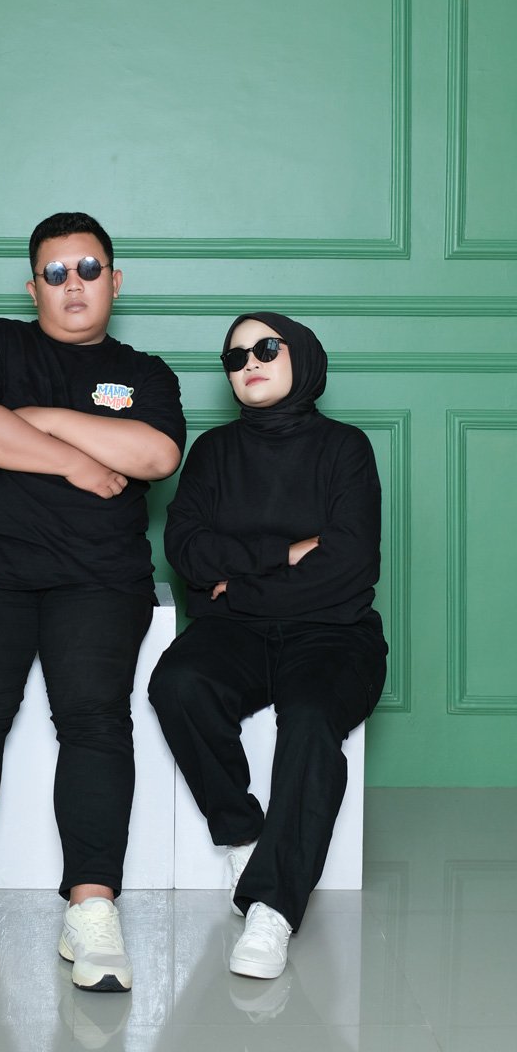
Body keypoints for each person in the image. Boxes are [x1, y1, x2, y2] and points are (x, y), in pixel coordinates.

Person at [0, 212, 185, 993]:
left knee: (93, 720)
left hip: (100, 577)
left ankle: (92, 908)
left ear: (114, 281)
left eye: (88, 269)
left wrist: (42, 422)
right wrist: (80, 463)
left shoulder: (146, 372)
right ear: (33, 288)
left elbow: (156, 453)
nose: (73, 284)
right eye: (55, 273)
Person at [149, 311, 387, 980]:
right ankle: (241, 833)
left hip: (336, 634)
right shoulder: (213, 453)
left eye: (266, 348)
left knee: (310, 719)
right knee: (178, 683)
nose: (249, 362)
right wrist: (284, 555)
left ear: (300, 356)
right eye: (235, 357)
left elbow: (349, 565)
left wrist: (239, 587)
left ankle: (273, 909)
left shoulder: (345, 448)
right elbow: (187, 551)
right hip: (237, 633)